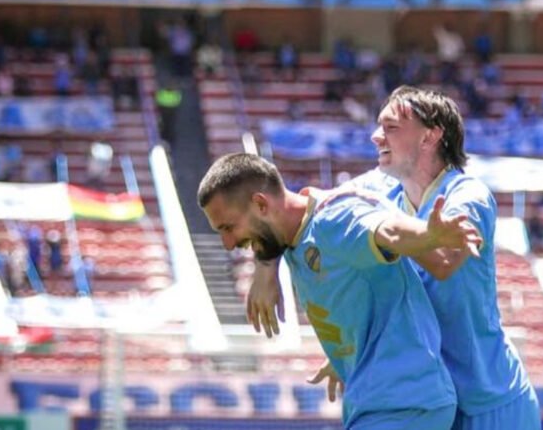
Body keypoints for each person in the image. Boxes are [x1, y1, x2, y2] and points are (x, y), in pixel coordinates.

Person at [198, 153, 481, 430]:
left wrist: (429, 235)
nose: (227, 243)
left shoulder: (336, 218)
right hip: (380, 403)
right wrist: (265, 265)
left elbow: (387, 231)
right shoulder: (294, 236)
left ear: (261, 204)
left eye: (228, 227)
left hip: (406, 400)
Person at [366, 86, 540, 429]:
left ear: (429, 136)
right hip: (428, 404)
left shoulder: (468, 195)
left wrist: (379, 230)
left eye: (391, 127)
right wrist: (268, 261)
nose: (375, 136)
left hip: (490, 402)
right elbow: (312, 209)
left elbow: (444, 260)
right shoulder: (383, 197)